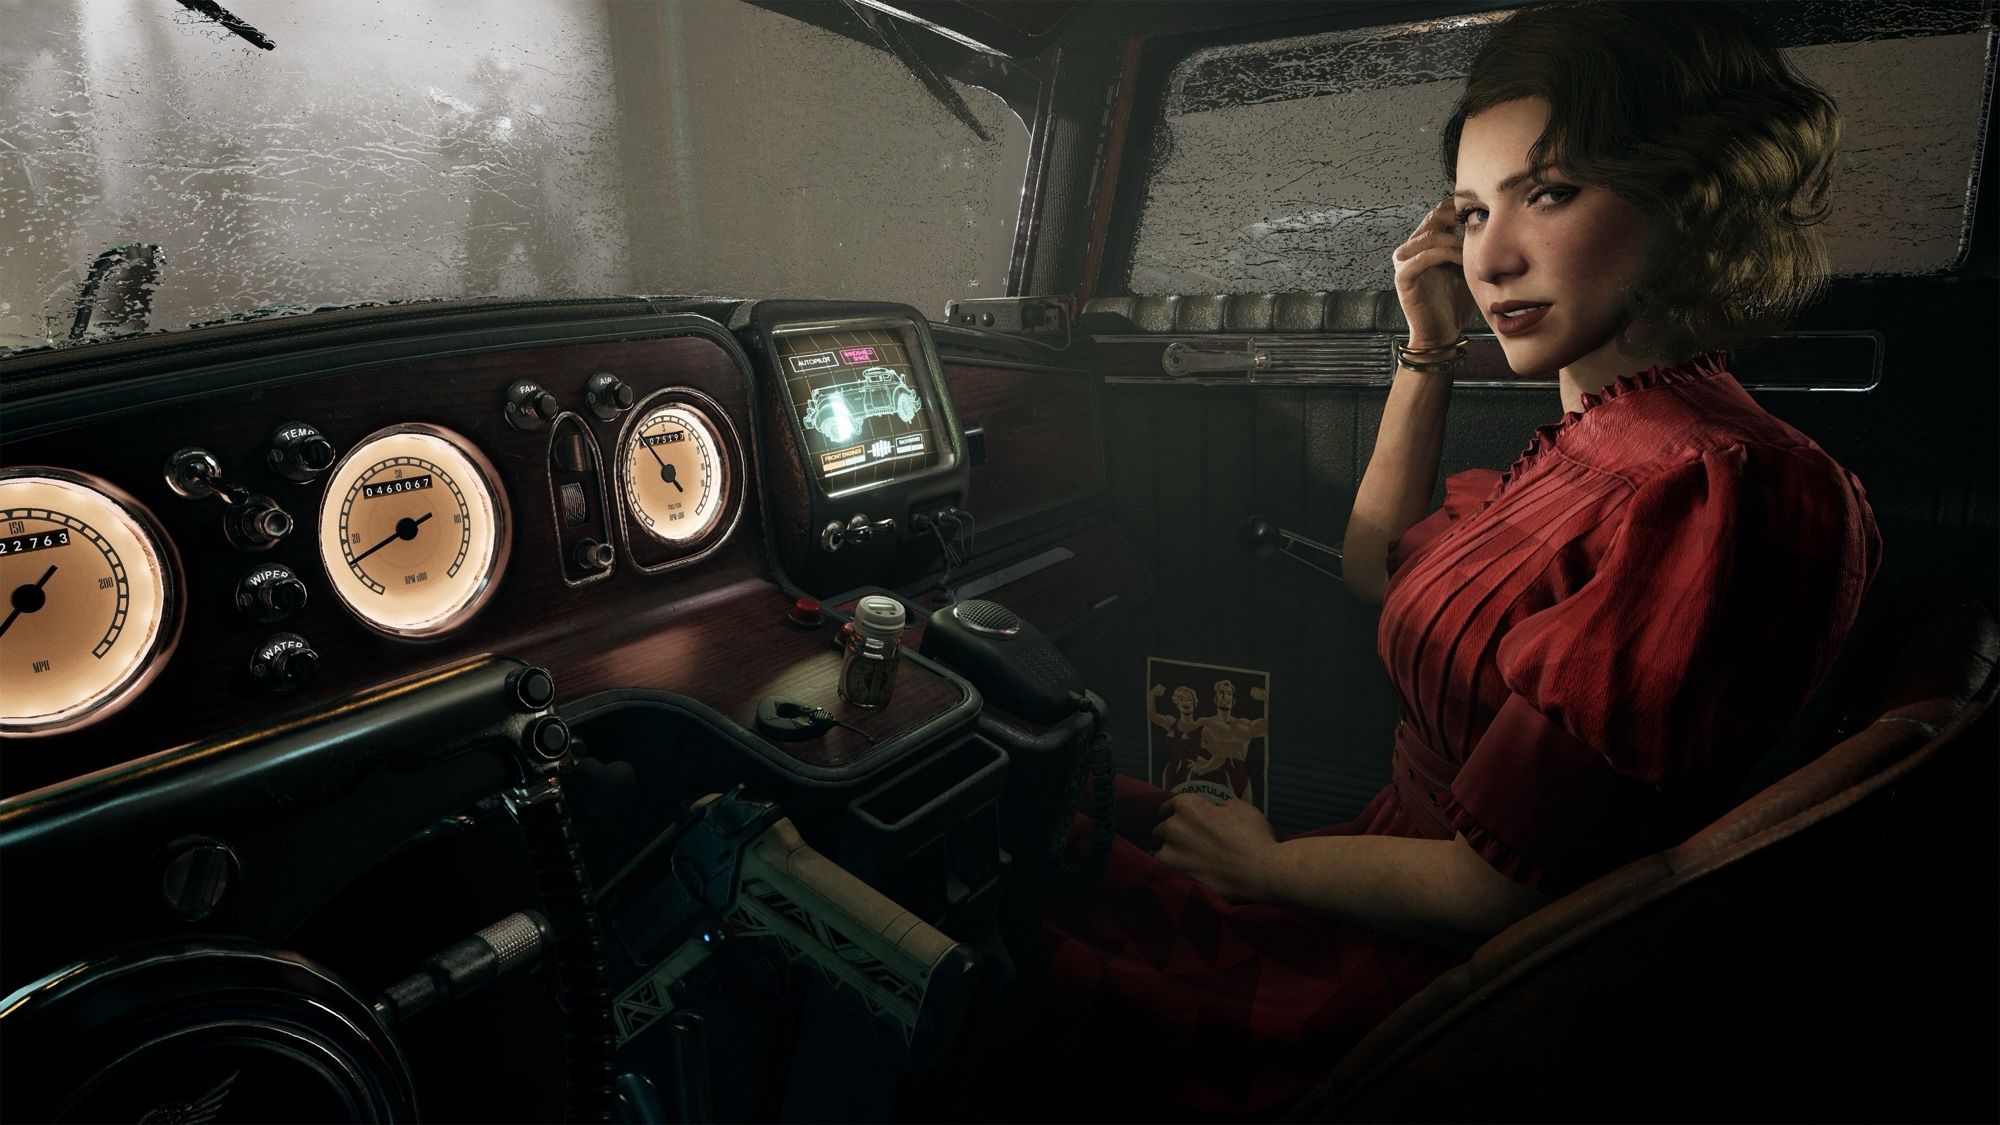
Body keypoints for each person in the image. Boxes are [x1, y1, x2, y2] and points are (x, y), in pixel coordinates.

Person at [1019, 3, 1881, 1119]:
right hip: (1393, 886)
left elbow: (1496, 889)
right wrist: (1428, 350)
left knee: (1019, 930)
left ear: (1691, 198)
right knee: (1051, 832)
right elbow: (1382, 570)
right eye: (1471, 211)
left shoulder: (1706, 483)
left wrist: (1266, 865)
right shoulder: (1608, 434)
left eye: (1550, 192)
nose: (1491, 255)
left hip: (1447, 990)